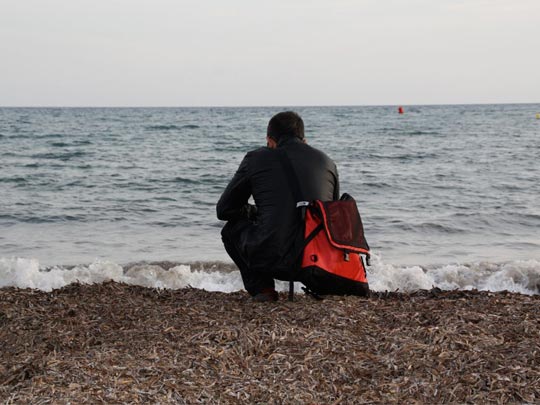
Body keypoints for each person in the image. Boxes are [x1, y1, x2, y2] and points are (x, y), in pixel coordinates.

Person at [216, 111, 339, 301]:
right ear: (304, 139)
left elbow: (224, 210)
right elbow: (332, 216)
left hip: (275, 259)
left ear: (270, 140)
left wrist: (255, 212)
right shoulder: (327, 162)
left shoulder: (255, 159)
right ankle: (320, 287)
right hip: (317, 261)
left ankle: (264, 289)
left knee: (230, 230)